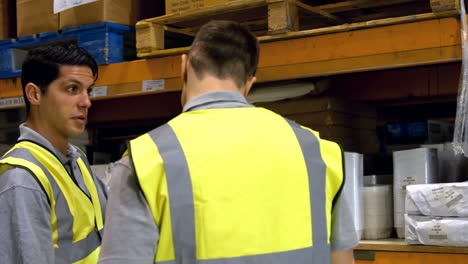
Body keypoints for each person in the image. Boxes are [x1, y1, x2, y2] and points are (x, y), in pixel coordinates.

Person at [99, 20, 358, 264]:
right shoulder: (316, 151)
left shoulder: (145, 159)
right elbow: (342, 258)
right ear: (249, 83)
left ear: (183, 66)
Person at [0, 44, 107, 263]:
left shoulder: (76, 159)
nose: (86, 102)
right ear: (35, 94)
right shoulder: (23, 179)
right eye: (72, 89)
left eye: (89, 90)